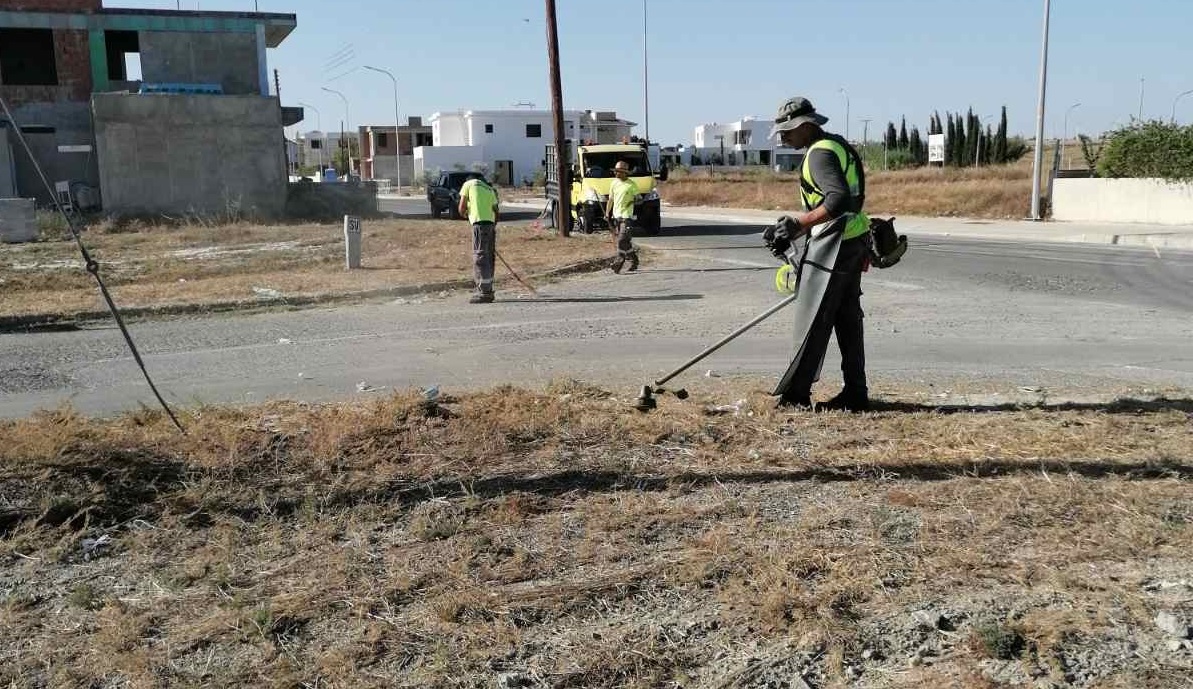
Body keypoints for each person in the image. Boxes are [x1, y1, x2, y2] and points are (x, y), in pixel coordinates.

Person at [765, 96, 872, 412]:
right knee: (847, 318)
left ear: (806, 126)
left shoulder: (818, 155)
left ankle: (796, 395)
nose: (784, 137)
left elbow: (837, 199)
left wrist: (798, 225)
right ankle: (856, 392)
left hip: (836, 244)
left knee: (815, 316)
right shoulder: (836, 145)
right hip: (852, 237)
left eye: (788, 131)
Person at [458, 173, 500, 304]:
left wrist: (466, 215)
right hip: (490, 225)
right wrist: (492, 227)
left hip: (479, 225)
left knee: (480, 257)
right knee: (489, 257)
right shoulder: (489, 189)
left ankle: (485, 292)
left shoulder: (469, 184)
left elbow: (461, 207)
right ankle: (488, 288)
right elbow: (496, 211)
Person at [605, 160, 640, 273]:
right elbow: (611, 199)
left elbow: (639, 198)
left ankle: (619, 261)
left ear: (625, 172)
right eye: (616, 171)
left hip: (627, 217)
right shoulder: (614, 183)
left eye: (619, 171)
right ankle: (634, 260)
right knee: (625, 242)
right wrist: (607, 213)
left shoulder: (631, 184)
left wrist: (634, 200)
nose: (616, 173)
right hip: (616, 217)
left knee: (621, 240)